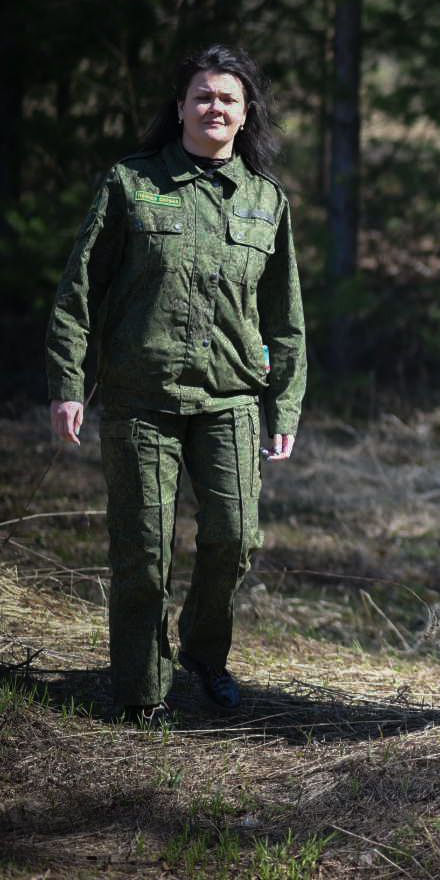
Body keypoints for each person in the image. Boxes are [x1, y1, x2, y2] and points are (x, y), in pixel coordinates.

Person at [45, 44, 307, 727]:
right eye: (202, 95)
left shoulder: (265, 201)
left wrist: (286, 403)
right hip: (142, 398)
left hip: (231, 400)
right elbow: (79, 290)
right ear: (182, 107)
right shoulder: (130, 184)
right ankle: (140, 691)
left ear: (246, 114)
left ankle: (203, 654)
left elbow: (285, 318)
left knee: (236, 538)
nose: (213, 106)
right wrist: (69, 382)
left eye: (228, 97)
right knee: (143, 551)